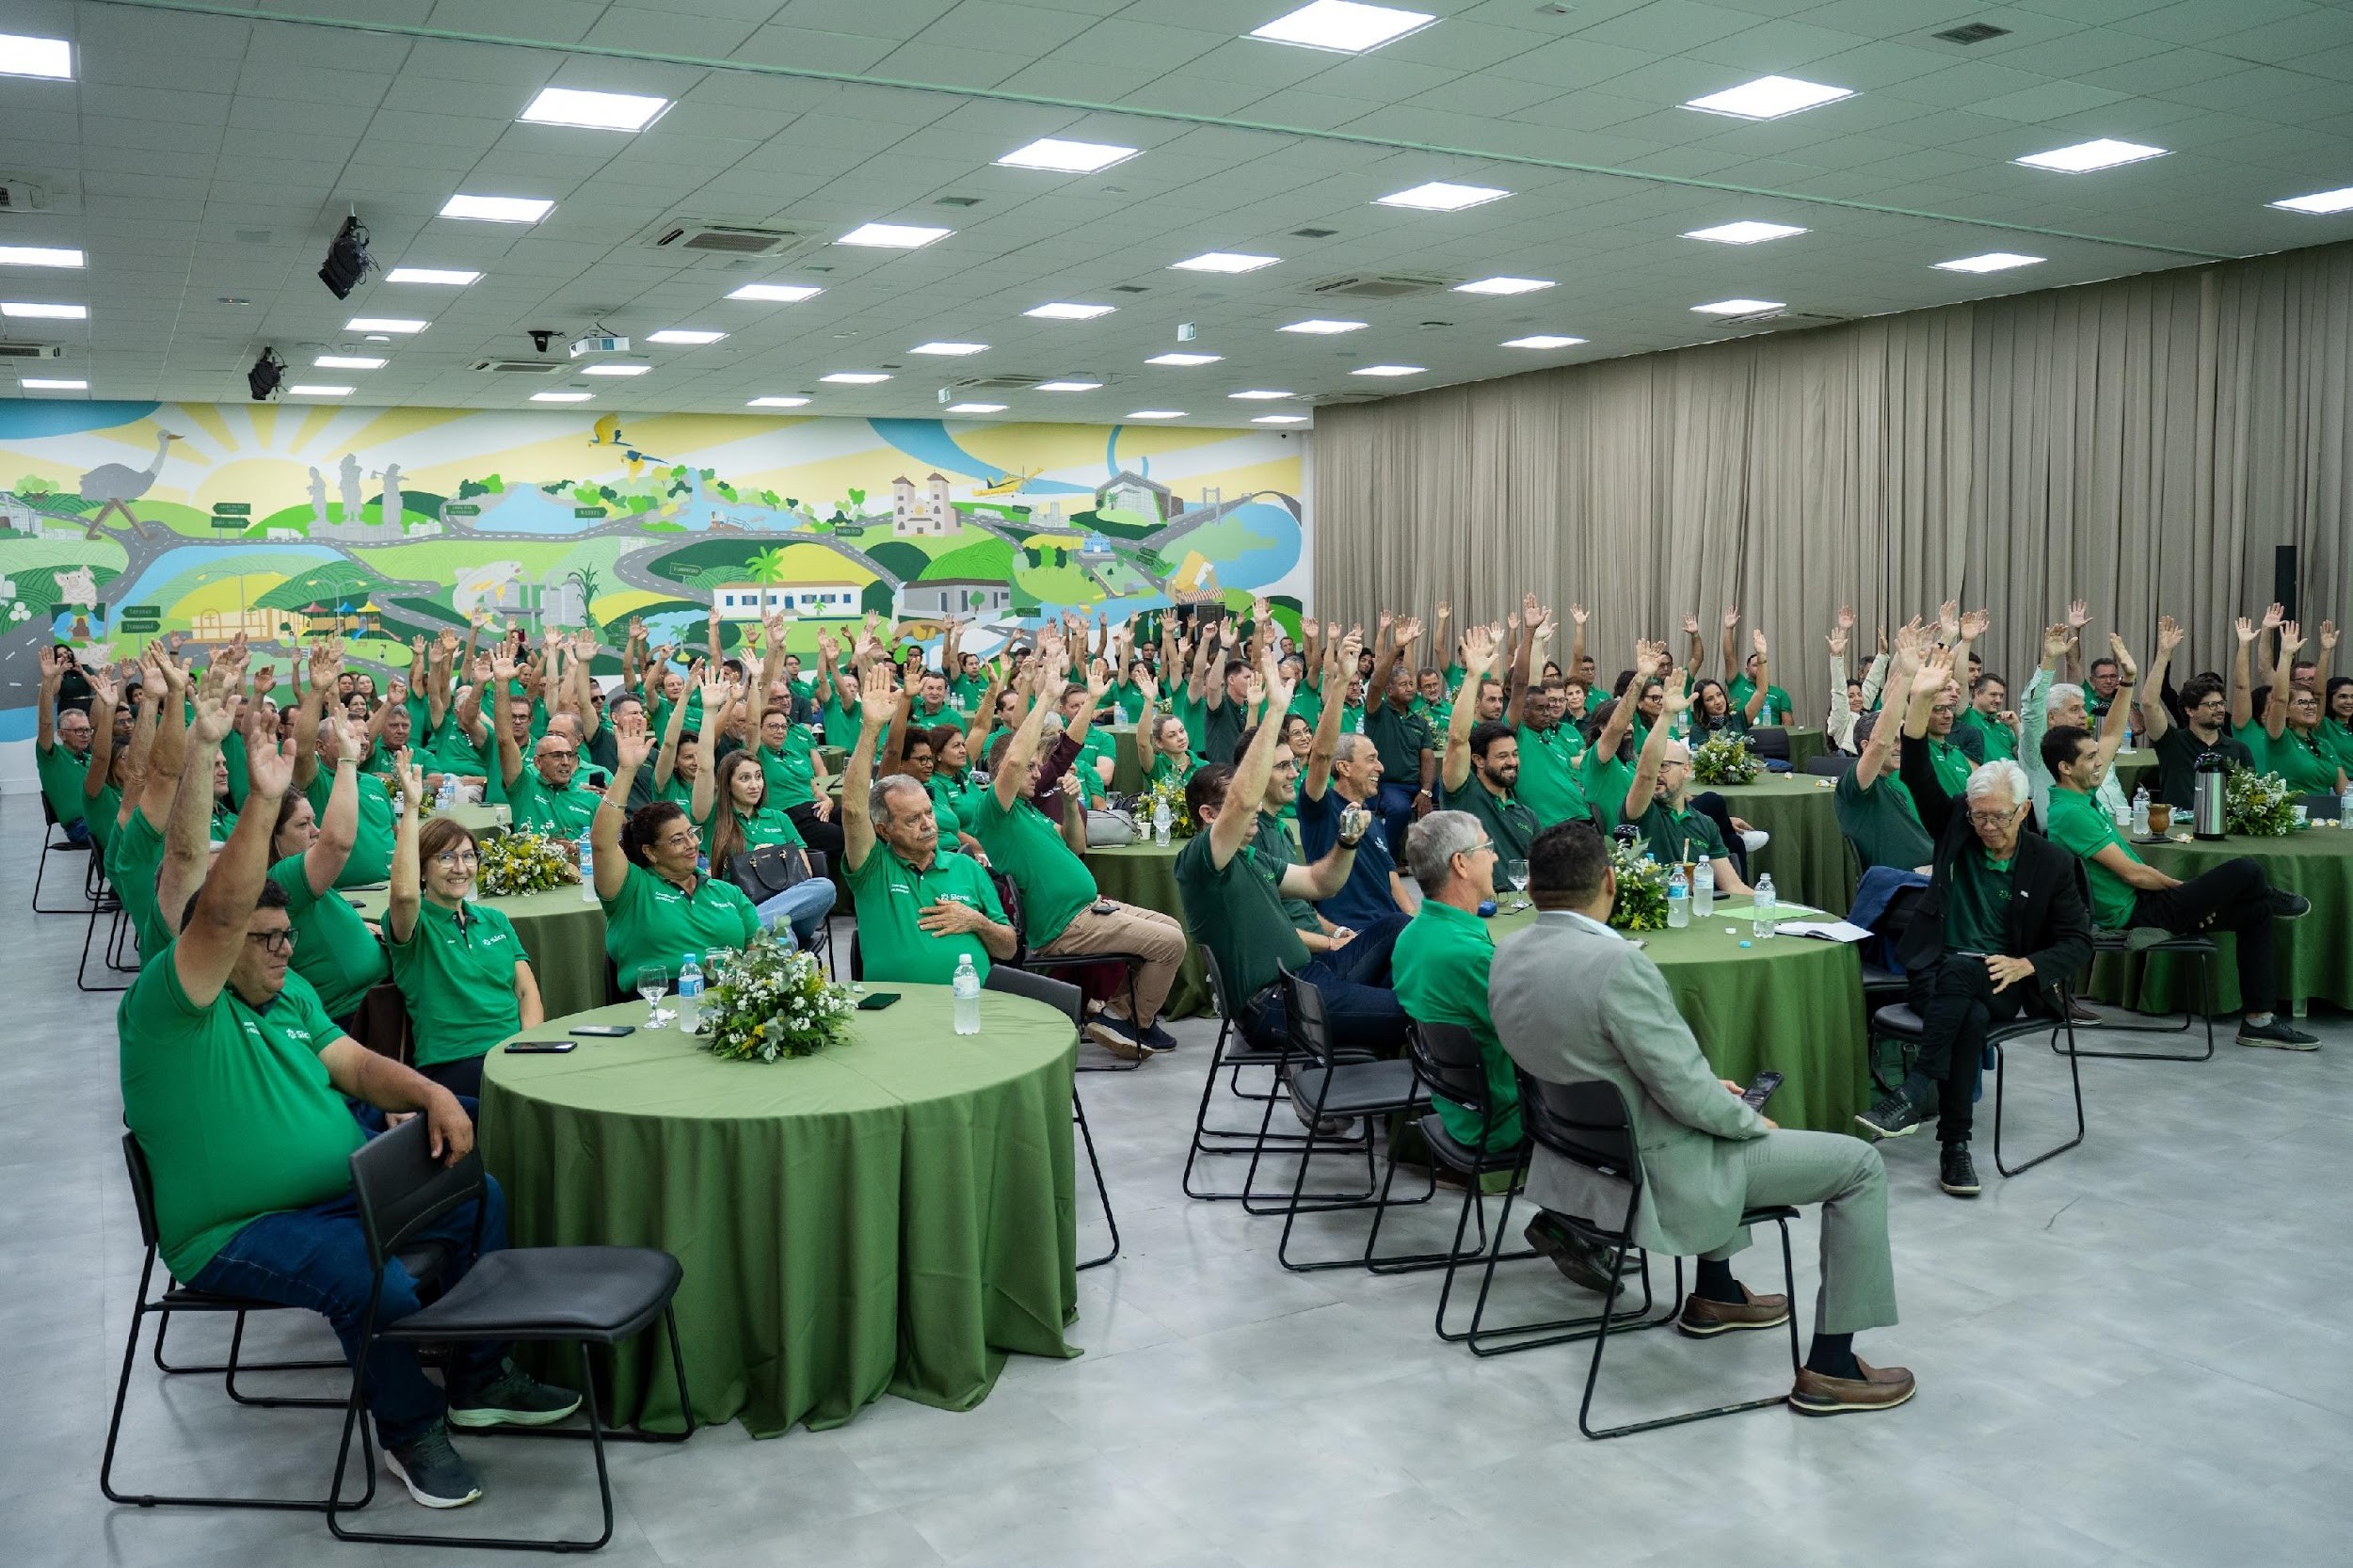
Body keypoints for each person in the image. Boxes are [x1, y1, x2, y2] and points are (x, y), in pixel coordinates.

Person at [121, 707, 576, 1513]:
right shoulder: (172, 1009)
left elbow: (355, 1066)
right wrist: (260, 800)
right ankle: (411, 1428)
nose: (281, 948)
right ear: (211, 952)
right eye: (259, 940)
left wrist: (430, 1093)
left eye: (284, 935)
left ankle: (479, 1378)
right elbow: (215, 906)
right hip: (238, 1228)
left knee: (479, 1195)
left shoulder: (290, 990)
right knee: (365, 1278)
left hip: (341, 1190)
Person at [1488, 821, 1910, 1414]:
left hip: (1578, 1157)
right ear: (1610, 881)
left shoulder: (1506, 950)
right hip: (1656, 1168)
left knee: (1711, 1098)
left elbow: (1599, 1062)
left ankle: (1716, 1293)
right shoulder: (1617, 965)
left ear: (1531, 885)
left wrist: (1708, 1094)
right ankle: (1833, 1366)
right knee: (1859, 1163)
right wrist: (1744, 1119)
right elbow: (1688, 1096)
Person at [1856, 655, 2093, 1197]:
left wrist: (2026, 963)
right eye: (1978, 815)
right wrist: (1918, 697)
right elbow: (1915, 769)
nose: (1986, 826)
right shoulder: (1957, 830)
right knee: (1963, 999)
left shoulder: (2051, 864)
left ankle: (1919, 1092)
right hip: (1936, 970)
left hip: (2006, 980)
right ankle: (1952, 1148)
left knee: (1967, 985)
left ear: (2023, 809)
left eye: (1998, 817)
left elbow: (2078, 942)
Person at [1174, 662, 1408, 1053]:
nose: (1249, 810)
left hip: (1309, 975)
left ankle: (1360, 1056)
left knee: (1399, 926)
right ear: (1210, 816)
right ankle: (1358, 1068)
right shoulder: (1200, 862)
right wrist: (1276, 712)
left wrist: (1348, 841)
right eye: (1234, 808)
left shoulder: (1251, 857)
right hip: (1275, 1004)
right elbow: (1245, 799)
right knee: (1416, 1013)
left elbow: (1321, 883)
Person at [2040, 723, 2317, 1048]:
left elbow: (2112, 733)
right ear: (2066, 768)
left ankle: (2259, 1021)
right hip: (2135, 913)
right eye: (2090, 758)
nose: (2100, 762)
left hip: (2143, 903)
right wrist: (2185, 893)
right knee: (2247, 869)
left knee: (2255, 913)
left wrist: (2194, 900)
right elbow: (2135, 875)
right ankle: (2264, 895)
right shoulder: (2071, 813)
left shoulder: (2082, 801)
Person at [976, 655, 1187, 1056]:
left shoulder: (1028, 811)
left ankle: (1119, 1014)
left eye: (1039, 768)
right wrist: (1047, 698)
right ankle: (1133, 1022)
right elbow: (1017, 759)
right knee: (1170, 945)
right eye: (1030, 769)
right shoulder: (996, 812)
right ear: (1004, 771)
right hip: (1065, 925)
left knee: (1171, 928)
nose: (1038, 774)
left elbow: (1077, 846)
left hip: (1090, 909)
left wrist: (1072, 806)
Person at [840, 677, 1018, 984]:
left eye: (928, 813)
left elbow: (1008, 949)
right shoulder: (873, 869)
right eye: (912, 820)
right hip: (899, 1011)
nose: (928, 824)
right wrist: (871, 727)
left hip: (970, 1008)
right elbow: (854, 811)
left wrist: (976, 922)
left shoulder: (966, 866)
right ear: (884, 830)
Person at [387, 765, 545, 1098]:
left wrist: (529, 1046)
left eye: (468, 857)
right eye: (446, 858)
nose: (460, 868)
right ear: (423, 869)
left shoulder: (495, 920)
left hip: (514, 1053)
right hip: (454, 1062)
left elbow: (526, 991)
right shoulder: (414, 927)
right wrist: (413, 808)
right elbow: (403, 894)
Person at [593, 708, 762, 996]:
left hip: (731, 1001)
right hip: (659, 1003)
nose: (692, 844)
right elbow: (602, 843)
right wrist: (626, 771)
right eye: (677, 840)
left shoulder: (726, 892)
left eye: (691, 834)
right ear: (650, 852)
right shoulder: (631, 890)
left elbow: (756, 950)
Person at [1392, 812, 1522, 1153]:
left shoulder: (1410, 937)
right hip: (1500, 1120)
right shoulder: (1470, 957)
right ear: (1461, 864)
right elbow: (1538, 1041)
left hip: (1454, 1105)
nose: (1495, 857)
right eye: (1488, 847)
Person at [270, 712, 389, 1032]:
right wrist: (348, 763)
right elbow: (336, 844)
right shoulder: (281, 877)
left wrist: (361, 927)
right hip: (355, 1018)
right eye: (303, 824)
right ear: (273, 834)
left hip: (372, 1000)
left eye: (314, 821)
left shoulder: (298, 876)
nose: (316, 831)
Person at [1621, 673, 1754, 894]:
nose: (1656, 774)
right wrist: (1666, 714)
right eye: (1655, 766)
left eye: (1664, 766)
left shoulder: (1705, 824)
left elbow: (1733, 886)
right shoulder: (1641, 812)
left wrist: (1773, 904)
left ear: (1686, 770)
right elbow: (1645, 773)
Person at [694, 746, 837, 951]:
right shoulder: (715, 820)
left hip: (794, 907)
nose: (755, 785)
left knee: (825, 887)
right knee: (783, 936)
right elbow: (705, 769)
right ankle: (755, 927)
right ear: (727, 785)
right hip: (746, 906)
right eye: (745, 778)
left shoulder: (779, 818)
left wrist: (770, 861)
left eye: (758, 776)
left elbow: (806, 873)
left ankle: (743, 929)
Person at [1835, 625, 1934, 872]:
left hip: (1934, 868)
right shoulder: (1856, 785)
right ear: (1865, 747)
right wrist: (1909, 674)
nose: (1902, 747)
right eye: (1895, 740)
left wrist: (1906, 664)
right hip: (1903, 884)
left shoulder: (1891, 782)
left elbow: (1890, 700)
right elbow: (1881, 741)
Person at [2139, 616, 2253, 810]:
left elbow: (2250, 797)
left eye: (2221, 704)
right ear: (2190, 710)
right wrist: (2164, 654)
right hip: (2178, 829)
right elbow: (2149, 703)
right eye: (2211, 705)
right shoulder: (2171, 742)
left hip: (2225, 828)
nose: (2219, 709)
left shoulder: (2238, 749)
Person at [2250, 621, 2347, 796]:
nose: (2311, 707)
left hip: (2325, 819)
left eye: (2312, 703)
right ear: (2286, 711)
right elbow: (2279, 699)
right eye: (2303, 703)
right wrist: (2286, 655)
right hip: (2291, 817)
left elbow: (2345, 791)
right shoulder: (2279, 738)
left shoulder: (2324, 744)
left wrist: (2326, 652)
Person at [1364, 613, 1436, 848]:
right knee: (1399, 810)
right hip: (1388, 785)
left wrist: (1426, 791)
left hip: (1416, 784)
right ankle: (1388, 857)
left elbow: (1427, 759)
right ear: (1389, 691)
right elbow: (1375, 683)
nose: (1410, 688)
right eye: (1403, 685)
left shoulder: (1419, 721)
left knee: (1452, 793)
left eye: (1411, 685)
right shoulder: (1377, 712)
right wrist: (1396, 647)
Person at [35, 646, 95, 841]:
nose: (85, 735)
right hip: (81, 826)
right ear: (61, 734)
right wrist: (48, 679)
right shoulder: (52, 757)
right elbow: (45, 723)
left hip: (101, 818)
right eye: (79, 731)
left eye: (87, 730)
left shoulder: (89, 757)